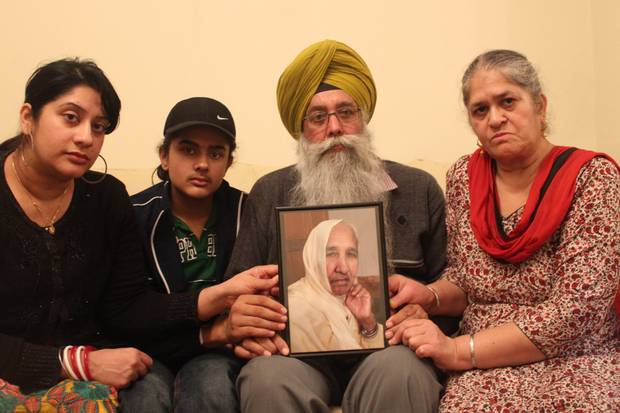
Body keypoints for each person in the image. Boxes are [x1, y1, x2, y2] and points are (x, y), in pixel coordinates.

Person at [0, 58, 278, 412]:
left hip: (92, 376)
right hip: (63, 368)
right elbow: (128, 321)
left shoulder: (105, 198)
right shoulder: (137, 209)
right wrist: (80, 363)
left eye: (98, 126)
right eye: (71, 117)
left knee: (205, 386)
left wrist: (227, 313)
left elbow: (124, 306)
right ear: (28, 117)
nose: (86, 137)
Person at [388, 49, 620, 411]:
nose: (495, 119)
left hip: (577, 358)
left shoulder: (592, 178)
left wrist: (457, 350)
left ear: (540, 106)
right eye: (481, 110)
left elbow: (580, 309)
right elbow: (467, 282)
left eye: (507, 102)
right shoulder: (464, 178)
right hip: (484, 367)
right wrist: (428, 295)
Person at [225, 39, 448, 413]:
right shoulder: (269, 192)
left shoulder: (418, 188)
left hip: (391, 351)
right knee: (266, 378)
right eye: (318, 117)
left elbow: (455, 287)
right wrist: (243, 324)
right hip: (297, 360)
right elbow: (237, 297)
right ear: (300, 127)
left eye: (346, 112)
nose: (335, 128)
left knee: (402, 371)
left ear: (363, 118)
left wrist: (427, 309)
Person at [128, 97, 247, 412]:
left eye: (216, 153)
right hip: (149, 349)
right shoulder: (132, 215)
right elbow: (127, 314)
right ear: (165, 156)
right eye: (189, 150)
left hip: (220, 351)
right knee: (144, 394)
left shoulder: (246, 211)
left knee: (212, 384)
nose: (203, 164)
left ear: (229, 162)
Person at [288, 219, 383, 353]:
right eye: (331, 254)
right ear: (314, 257)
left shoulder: (350, 301)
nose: (343, 268)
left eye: (351, 254)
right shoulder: (297, 307)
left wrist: (368, 322)